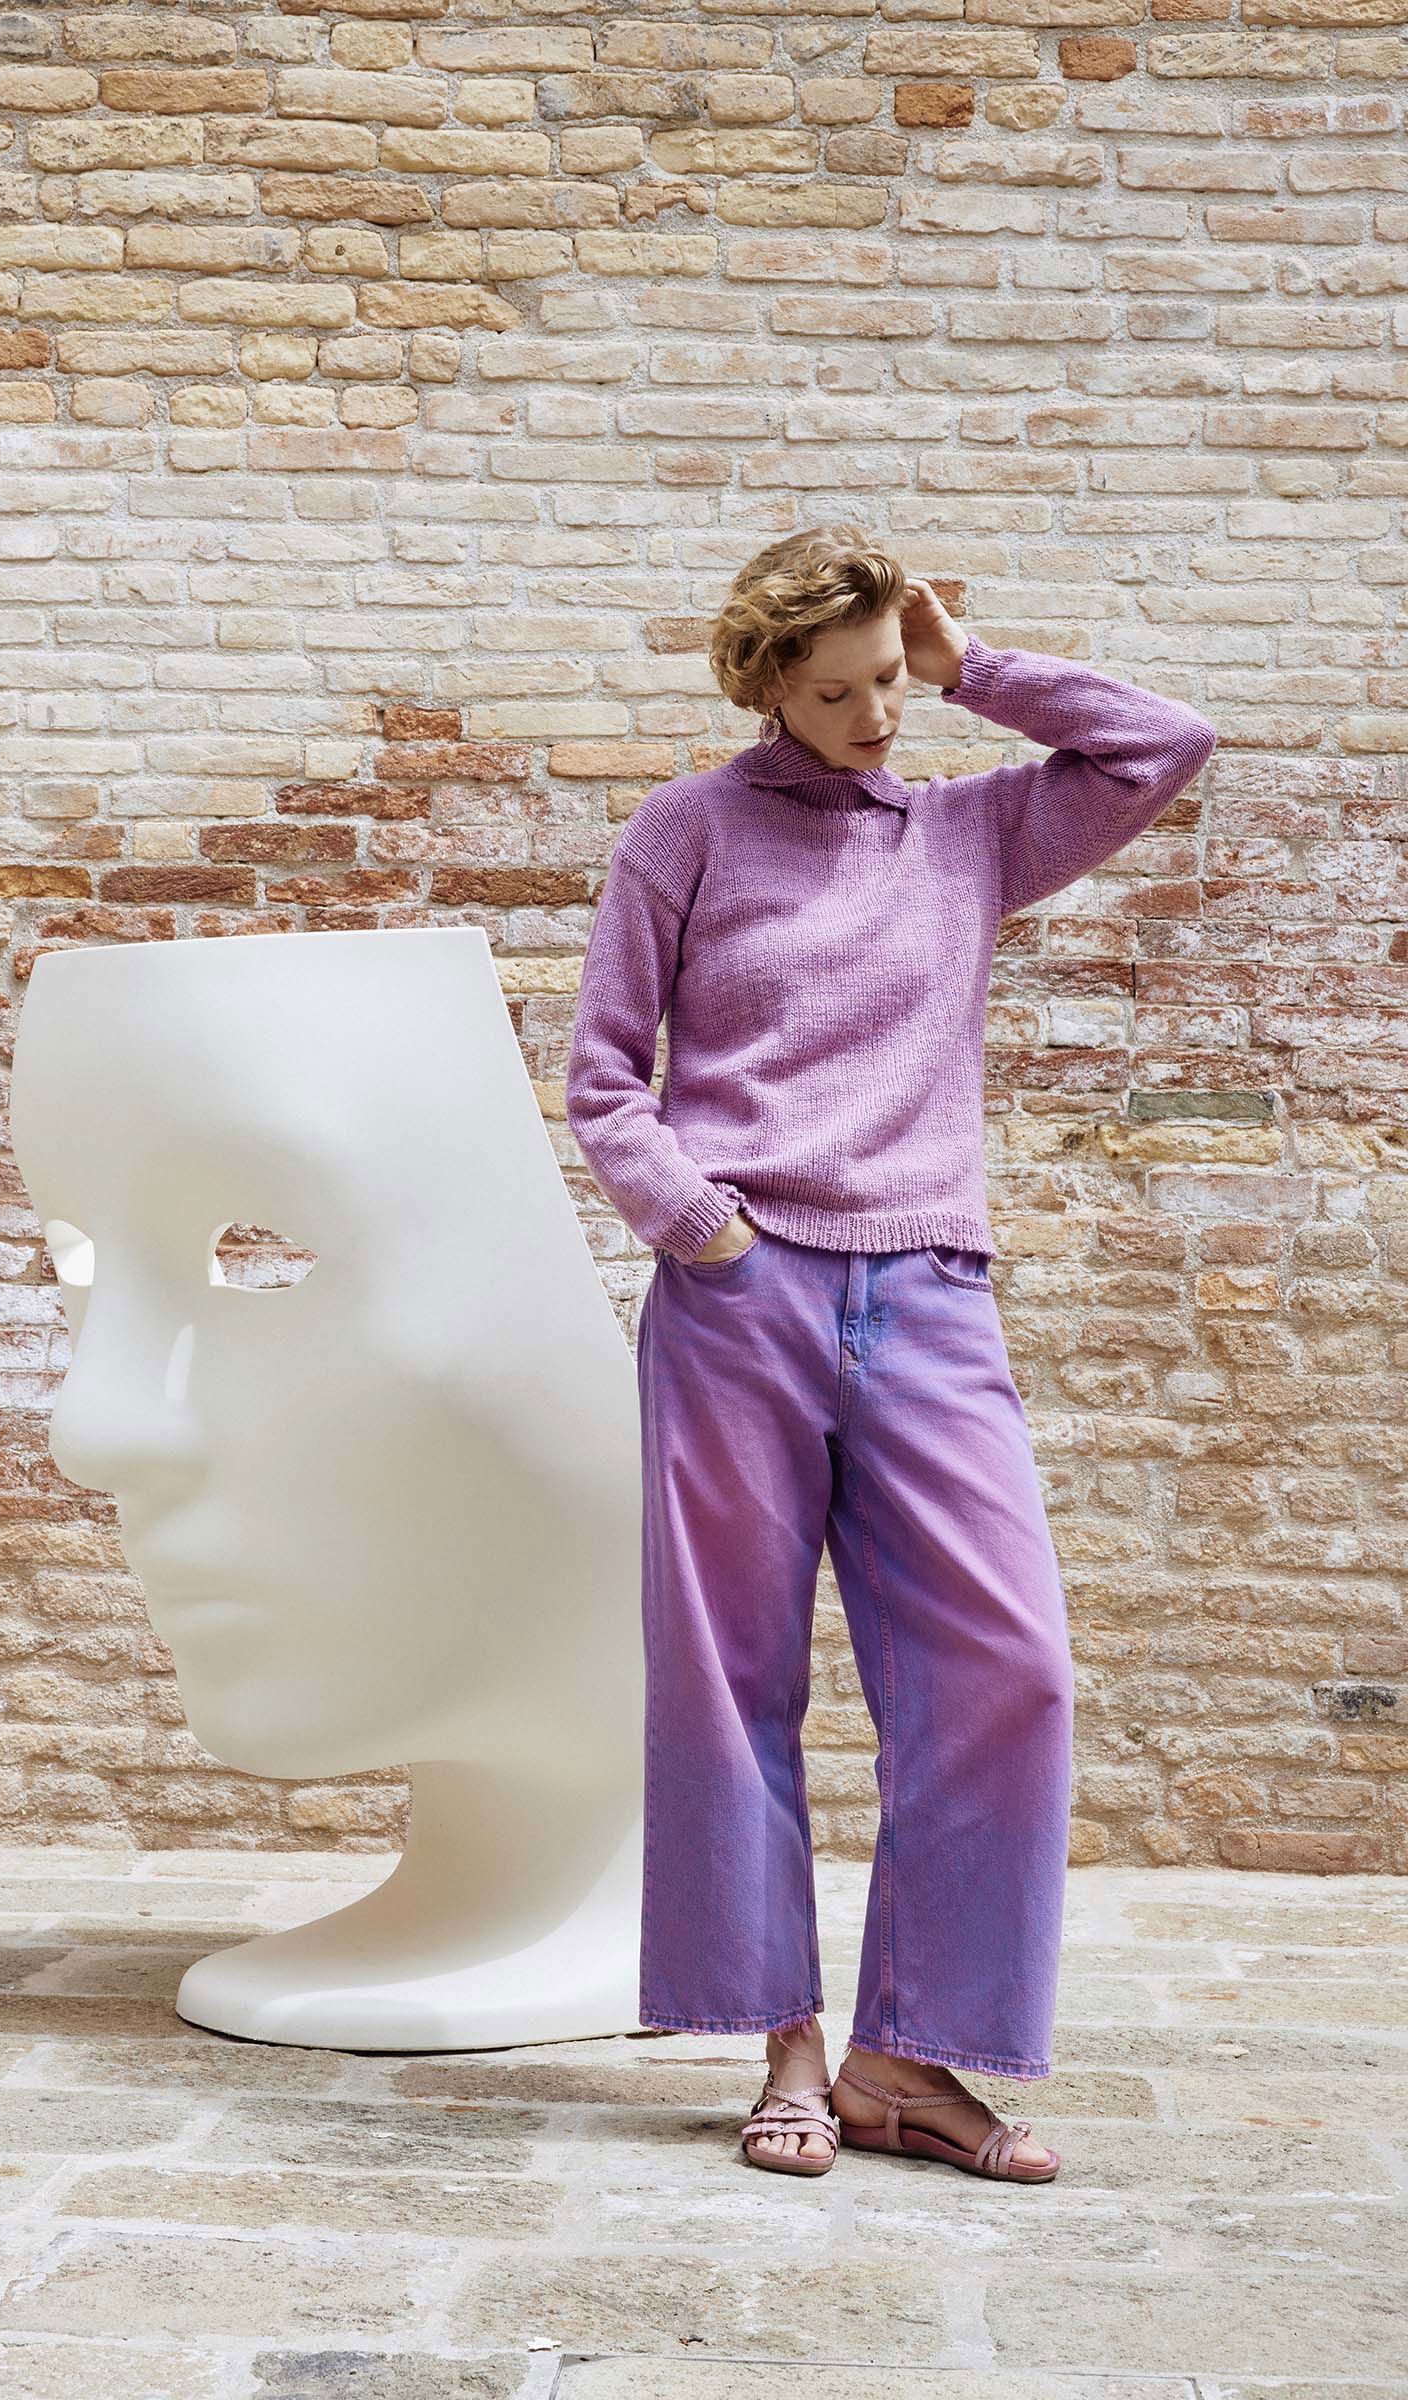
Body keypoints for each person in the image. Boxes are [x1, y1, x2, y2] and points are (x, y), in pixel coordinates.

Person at [564, 523, 1217, 2183]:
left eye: (887, 683)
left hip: (928, 1290)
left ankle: (908, 2064)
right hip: (739, 1299)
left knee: (1011, 1669)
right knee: (732, 1678)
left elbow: (1163, 743)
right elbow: (604, 1081)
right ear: (767, 685)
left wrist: (969, 665)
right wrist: (702, 1228)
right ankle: (781, 2042)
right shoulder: (687, 831)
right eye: (838, 691)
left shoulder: (971, 832)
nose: (875, 718)